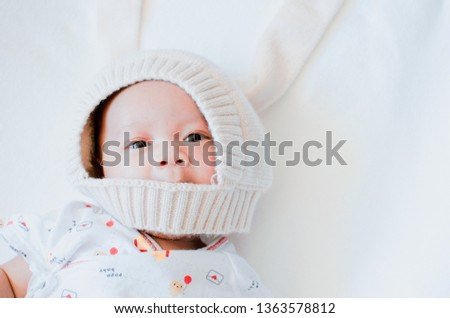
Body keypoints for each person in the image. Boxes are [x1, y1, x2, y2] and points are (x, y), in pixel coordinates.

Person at [0, 50, 272, 297]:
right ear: (100, 163)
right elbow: (9, 283)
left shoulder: (233, 274)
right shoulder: (72, 227)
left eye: (193, 138)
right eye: (139, 144)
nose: (167, 154)